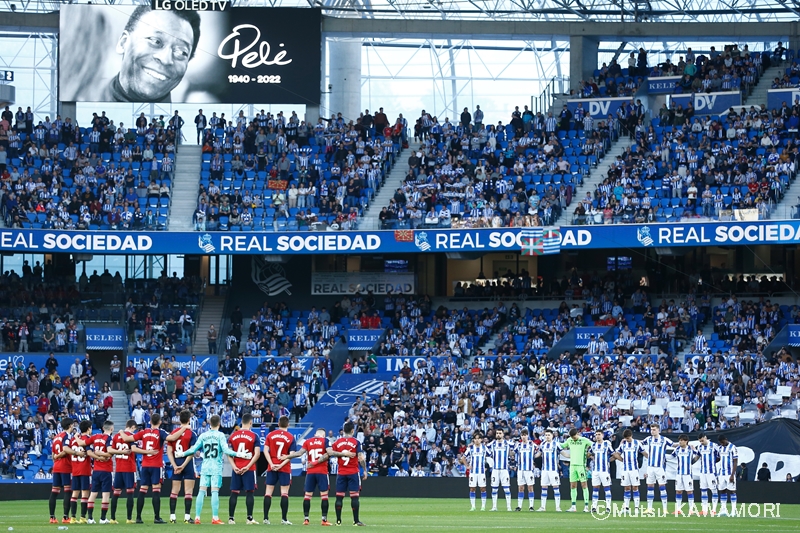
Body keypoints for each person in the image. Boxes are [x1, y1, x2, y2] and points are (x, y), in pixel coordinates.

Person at [90, 6, 201, 102]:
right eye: (155, 41)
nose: (165, 59)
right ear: (123, 43)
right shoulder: (82, 96)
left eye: (182, 52)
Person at [175, 414, 251, 525]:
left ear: (210, 424)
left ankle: (197, 517)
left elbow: (194, 449)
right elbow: (227, 451)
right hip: (216, 466)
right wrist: (240, 454)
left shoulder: (203, 435)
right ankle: (215, 517)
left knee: (201, 491)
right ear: (219, 424)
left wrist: (182, 453)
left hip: (205, 466)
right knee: (214, 491)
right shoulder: (220, 435)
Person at [280, 427, 354, 526]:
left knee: (307, 496)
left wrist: (287, 456)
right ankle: (324, 520)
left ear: (315, 434)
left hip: (310, 472)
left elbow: (299, 453)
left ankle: (306, 519)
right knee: (324, 496)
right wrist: (345, 454)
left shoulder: (308, 441)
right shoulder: (325, 440)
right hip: (322, 472)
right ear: (323, 435)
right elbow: (330, 453)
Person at [123, 413, 170, 523]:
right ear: (160, 422)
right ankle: (157, 517)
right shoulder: (161, 432)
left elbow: (127, 438)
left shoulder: (143, 432)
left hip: (145, 465)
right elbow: (171, 438)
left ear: (149, 422)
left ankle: (138, 517)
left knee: (142, 490)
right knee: (156, 490)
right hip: (156, 465)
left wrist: (121, 432)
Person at [109, 419, 150, 524]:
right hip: (129, 468)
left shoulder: (116, 436)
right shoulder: (131, 437)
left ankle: (112, 518)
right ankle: (129, 518)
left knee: (116, 493)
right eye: (135, 429)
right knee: (130, 493)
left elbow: (111, 451)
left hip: (118, 468)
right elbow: (134, 449)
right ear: (132, 427)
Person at [329, 421, 367, 526]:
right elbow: (360, 458)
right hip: (353, 472)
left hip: (341, 473)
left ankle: (338, 521)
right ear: (352, 430)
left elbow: (330, 453)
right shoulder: (356, 442)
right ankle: (356, 521)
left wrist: (342, 454)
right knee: (354, 497)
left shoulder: (337, 442)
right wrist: (365, 470)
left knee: (339, 497)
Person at [227, 413, 262, 525]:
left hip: (236, 467)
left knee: (234, 493)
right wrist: (247, 466)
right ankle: (249, 518)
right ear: (251, 422)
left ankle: (231, 518)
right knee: (250, 492)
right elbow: (256, 454)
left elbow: (229, 453)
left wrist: (234, 467)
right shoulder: (254, 436)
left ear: (241, 422)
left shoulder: (233, 436)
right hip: (249, 468)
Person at [263, 416, 296, 525]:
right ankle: (284, 519)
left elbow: (265, 451)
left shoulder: (270, 435)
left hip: (271, 467)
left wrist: (272, 464)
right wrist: (281, 464)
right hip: (284, 468)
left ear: (278, 423)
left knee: (268, 493)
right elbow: (291, 455)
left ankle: (266, 518)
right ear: (288, 424)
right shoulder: (290, 437)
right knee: (284, 493)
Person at [166, 410, 197, 524]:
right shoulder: (192, 434)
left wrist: (175, 465)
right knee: (188, 492)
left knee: (174, 491)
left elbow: (169, 452)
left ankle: (172, 516)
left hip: (176, 464)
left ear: (179, 420)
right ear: (189, 420)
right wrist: (184, 465)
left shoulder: (173, 433)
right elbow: (192, 452)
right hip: (187, 464)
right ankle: (187, 517)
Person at [82, 421, 115, 524]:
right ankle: (103, 518)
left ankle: (90, 518)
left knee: (93, 494)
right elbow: (110, 453)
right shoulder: (108, 439)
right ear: (111, 429)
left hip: (96, 470)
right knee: (105, 495)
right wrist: (103, 454)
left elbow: (83, 444)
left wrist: (76, 437)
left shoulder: (95, 437)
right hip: (106, 470)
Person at [49, 418, 79, 524]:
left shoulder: (56, 437)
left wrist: (56, 457)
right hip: (65, 467)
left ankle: (52, 517)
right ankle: (65, 517)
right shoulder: (67, 437)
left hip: (56, 467)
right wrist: (76, 453)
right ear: (70, 425)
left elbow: (53, 455)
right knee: (67, 491)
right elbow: (65, 449)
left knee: (54, 492)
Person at [611, 428, 644, 513]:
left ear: (631, 436)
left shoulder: (637, 443)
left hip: (634, 469)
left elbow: (644, 453)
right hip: (625, 470)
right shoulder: (623, 445)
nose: (627, 440)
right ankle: (626, 508)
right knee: (626, 488)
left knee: (635, 487)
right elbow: (616, 454)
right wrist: (622, 459)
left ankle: (637, 508)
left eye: (628, 438)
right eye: (626, 438)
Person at [68, 420, 95, 523]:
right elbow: (89, 453)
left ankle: (73, 517)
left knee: (74, 494)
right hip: (84, 468)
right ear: (88, 429)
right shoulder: (87, 439)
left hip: (75, 469)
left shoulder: (73, 440)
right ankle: (83, 517)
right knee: (84, 494)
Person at [642, 423, 673, 515]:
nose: (652, 431)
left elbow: (674, 444)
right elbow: (640, 443)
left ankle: (665, 509)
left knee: (662, 487)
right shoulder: (648, 439)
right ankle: (649, 508)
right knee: (650, 487)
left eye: (654, 429)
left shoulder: (664, 439)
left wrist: (686, 444)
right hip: (650, 467)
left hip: (660, 468)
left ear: (658, 430)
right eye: (651, 429)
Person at [560, 427, 592, 513]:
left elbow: (594, 446)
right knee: (573, 485)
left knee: (584, 485)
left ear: (577, 433)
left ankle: (586, 506)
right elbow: (561, 445)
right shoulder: (569, 440)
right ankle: (573, 506)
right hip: (572, 465)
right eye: (572, 437)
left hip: (581, 465)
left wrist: (589, 454)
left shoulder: (584, 440)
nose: (573, 439)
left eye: (574, 437)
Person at [486, 427, 514, 511]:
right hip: (495, 469)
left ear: (503, 434)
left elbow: (514, 451)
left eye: (500, 433)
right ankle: (494, 507)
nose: (498, 434)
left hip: (504, 469)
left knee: (506, 488)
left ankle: (509, 507)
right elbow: (486, 451)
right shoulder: (492, 444)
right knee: (494, 488)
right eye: (497, 433)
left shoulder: (508, 443)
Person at [671, 434, 697, 516]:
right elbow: (671, 457)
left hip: (688, 474)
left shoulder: (690, 449)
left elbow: (699, 454)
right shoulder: (677, 449)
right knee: (678, 491)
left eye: (682, 440)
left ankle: (691, 510)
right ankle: (678, 509)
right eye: (679, 440)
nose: (680, 442)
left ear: (686, 441)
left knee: (689, 491)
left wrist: (694, 457)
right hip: (679, 474)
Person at [536, 429, 561, 511]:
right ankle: (543, 507)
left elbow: (562, 452)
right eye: (546, 435)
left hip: (553, 470)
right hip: (544, 470)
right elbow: (538, 454)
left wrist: (571, 456)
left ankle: (557, 507)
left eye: (548, 435)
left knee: (556, 487)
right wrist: (531, 456)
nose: (547, 436)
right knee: (544, 487)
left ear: (552, 436)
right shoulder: (542, 444)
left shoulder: (556, 444)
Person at [462, 433, 488, 511]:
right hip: (473, 472)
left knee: (483, 488)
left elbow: (490, 456)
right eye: (475, 438)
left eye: (478, 438)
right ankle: (473, 506)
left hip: (481, 472)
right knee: (472, 488)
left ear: (481, 440)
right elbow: (463, 458)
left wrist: (487, 466)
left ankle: (483, 506)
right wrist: (467, 466)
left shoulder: (484, 448)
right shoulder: (470, 448)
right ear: (473, 440)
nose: (477, 440)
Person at [589, 430, 613, 513]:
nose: (597, 436)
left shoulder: (607, 444)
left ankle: (608, 507)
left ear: (602, 435)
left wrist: (609, 461)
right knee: (595, 488)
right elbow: (589, 454)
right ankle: (594, 507)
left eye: (599, 434)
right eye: (596, 435)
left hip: (604, 471)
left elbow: (614, 454)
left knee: (607, 489)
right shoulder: (593, 445)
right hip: (595, 471)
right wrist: (592, 458)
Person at [514, 429, 537, 512]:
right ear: (521, 436)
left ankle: (531, 506)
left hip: (529, 469)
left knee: (530, 487)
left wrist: (533, 462)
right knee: (520, 487)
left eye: (525, 435)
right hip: (520, 470)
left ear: (528, 436)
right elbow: (514, 453)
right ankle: (519, 506)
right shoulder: (518, 445)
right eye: (522, 435)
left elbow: (538, 452)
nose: (524, 437)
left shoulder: (532, 444)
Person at [696, 433, 719, 515]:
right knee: (703, 490)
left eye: (702, 440)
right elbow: (697, 456)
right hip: (702, 472)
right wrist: (690, 462)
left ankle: (714, 509)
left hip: (711, 472)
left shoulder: (714, 445)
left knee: (713, 490)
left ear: (705, 438)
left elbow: (719, 456)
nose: (701, 442)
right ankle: (704, 510)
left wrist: (713, 462)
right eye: (700, 441)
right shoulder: (699, 447)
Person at [717, 435, 738, 516]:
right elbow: (718, 459)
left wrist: (732, 475)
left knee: (732, 491)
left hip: (730, 473)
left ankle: (733, 511)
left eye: (722, 442)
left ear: (726, 439)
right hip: (721, 473)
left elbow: (735, 461)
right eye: (720, 442)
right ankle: (724, 510)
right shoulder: (720, 448)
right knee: (722, 491)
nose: (722, 444)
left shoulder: (733, 447)